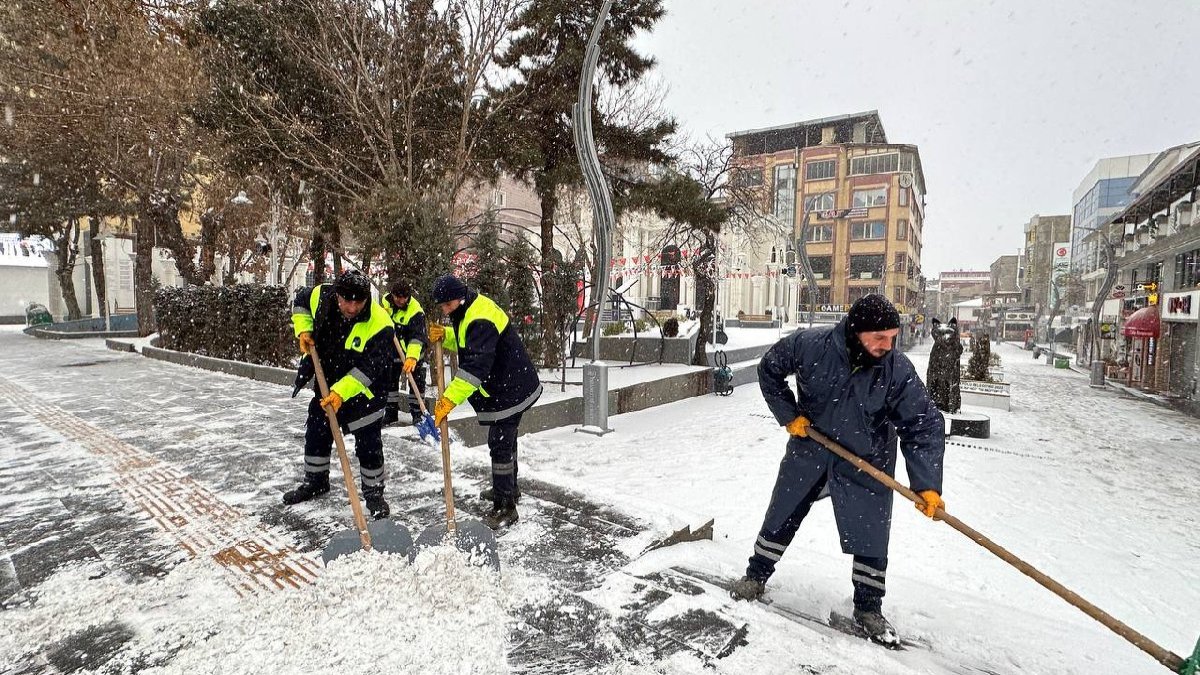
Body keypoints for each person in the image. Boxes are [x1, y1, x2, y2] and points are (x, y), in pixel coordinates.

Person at [731, 293, 945, 645]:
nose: (887, 346)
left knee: (870, 531)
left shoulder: (896, 369)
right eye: (879, 337)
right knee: (783, 511)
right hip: (812, 446)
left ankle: (868, 607)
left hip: (867, 460)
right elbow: (769, 369)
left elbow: (922, 424)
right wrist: (789, 415)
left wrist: (928, 484)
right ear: (857, 331)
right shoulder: (810, 346)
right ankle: (756, 575)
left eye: (892, 338)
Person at [426, 273, 541, 529]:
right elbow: (471, 343)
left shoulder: (479, 318)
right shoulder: (470, 309)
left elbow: (475, 367)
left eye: (447, 305)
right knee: (506, 441)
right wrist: (447, 335)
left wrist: (449, 399)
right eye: (442, 306)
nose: (445, 310)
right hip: (509, 384)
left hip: (510, 388)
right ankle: (509, 488)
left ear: (459, 298)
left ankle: (506, 507)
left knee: (500, 444)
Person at [284, 270, 396, 520]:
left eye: (359, 302)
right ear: (337, 295)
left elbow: (370, 369)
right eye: (347, 301)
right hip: (327, 383)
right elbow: (300, 301)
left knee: (369, 445)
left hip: (366, 393)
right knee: (317, 433)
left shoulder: (381, 323)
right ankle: (315, 482)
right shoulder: (321, 296)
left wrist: (341, 392)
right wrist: (303, 329)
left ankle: (374, 493)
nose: (352, 308)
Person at [380, 280, 428, 426]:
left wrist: (412, 357)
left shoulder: (416, 312)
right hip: (393, 350)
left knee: (416, 383)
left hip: (413, 352)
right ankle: (391, 412)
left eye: (404, 298)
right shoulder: (386, 302)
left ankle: (418, 414)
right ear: (392, 295)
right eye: (398, 297)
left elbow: (417, 337)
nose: (401, 301)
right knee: (389, 381)